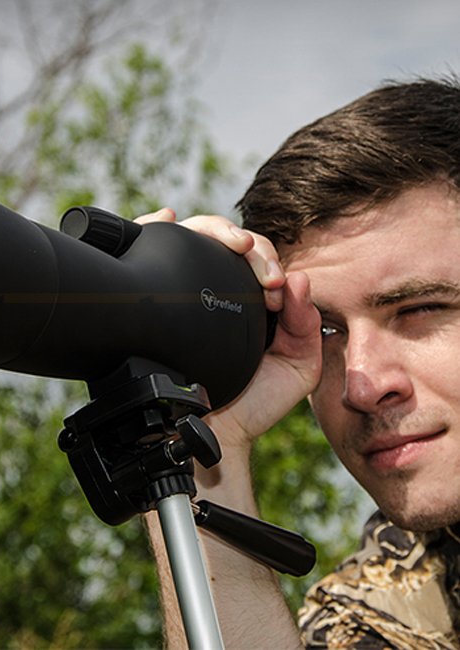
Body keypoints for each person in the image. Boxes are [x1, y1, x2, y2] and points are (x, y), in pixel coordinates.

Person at [143, 75, 460, 649]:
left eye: (419, 310)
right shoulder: (380, 613)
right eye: (326, 330)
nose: (362, 385)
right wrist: (203, 438)